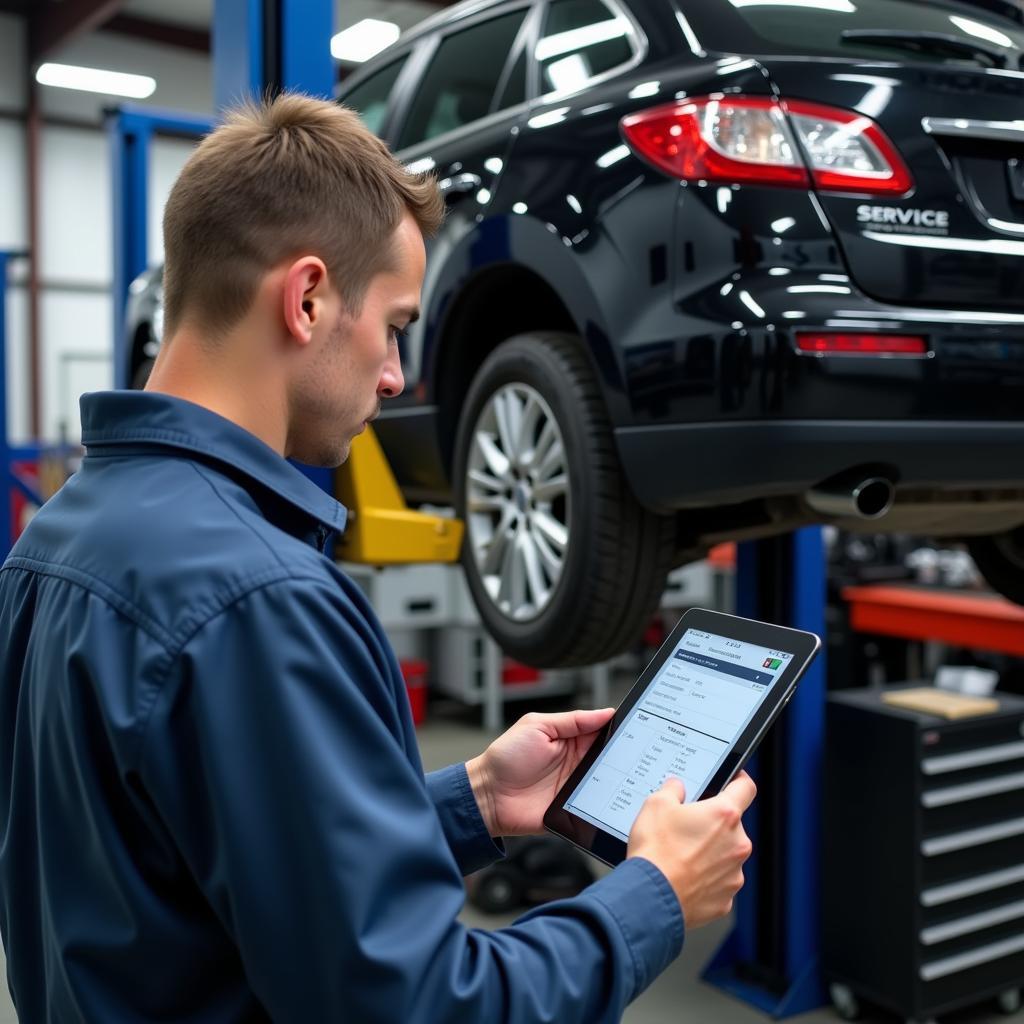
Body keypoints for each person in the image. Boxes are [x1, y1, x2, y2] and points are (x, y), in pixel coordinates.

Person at [0, 93, 755, 1023]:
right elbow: (421, 1007)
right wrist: (657, 897)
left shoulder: (58, 538)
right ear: (308, 297)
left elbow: (194, 864)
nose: (397, 375)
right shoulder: (256, 598)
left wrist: (472, 799)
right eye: (395, 325)